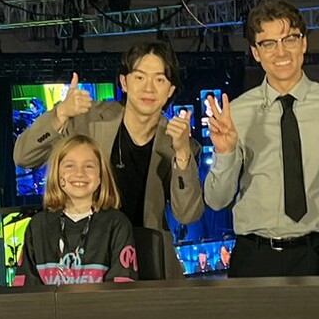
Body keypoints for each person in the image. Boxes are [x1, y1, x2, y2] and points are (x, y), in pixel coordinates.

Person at [203, 0, 319, 277]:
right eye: (268, 43)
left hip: (318, 255)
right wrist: (225, 153)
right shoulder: (237, 112)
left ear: (303, 43)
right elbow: (217, 201)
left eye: (289, 39)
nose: (281, 51)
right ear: (256, 52)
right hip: (254, 257)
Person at [12, 41, 203, 276]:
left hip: (148, 259)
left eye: (160, 80)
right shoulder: (88, 120)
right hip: (85, 259)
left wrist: (182, 154)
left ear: (170, 90)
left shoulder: (176, 141)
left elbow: (187, 214)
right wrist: (60, 114)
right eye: (140, 77)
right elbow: (23, 156)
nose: (149, 88)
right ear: (124, 82)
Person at [13, 135, 137, 285]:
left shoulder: (117, 224)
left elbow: (122, 289)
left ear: (100, 176)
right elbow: (25, 289)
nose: (79, 173)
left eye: (89, 166)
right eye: (69, 166)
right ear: (57, 175)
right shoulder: (38, 225)